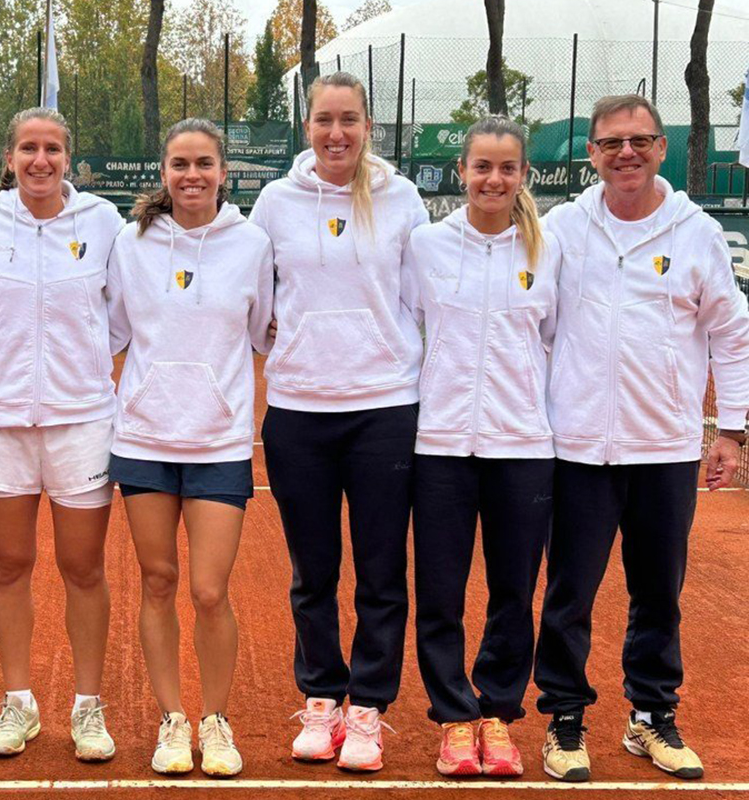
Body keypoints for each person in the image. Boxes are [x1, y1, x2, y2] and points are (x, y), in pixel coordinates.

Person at [533, 94, 749, 783]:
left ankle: (651, 714)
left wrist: (732, 431)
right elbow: (530, 320)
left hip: (665, 448)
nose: (625, 152)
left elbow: (731, 333)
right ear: (591, 154)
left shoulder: (697, 233)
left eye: (639, 140)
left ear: (660, 148)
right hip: (577, 448)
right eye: (611, 143)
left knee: (659, 592)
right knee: (570, 593)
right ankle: (565, 717)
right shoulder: (562, 228)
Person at [248, 72, 428, 771]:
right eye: (324, 120)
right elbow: (255, 295)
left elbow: (421, 297)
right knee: (313, 571)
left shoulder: (401, 198)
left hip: (384, 408)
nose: (336, 133)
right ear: (308, 127)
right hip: (299, 411)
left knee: (382, 570)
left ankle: (368, 708)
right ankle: (321, 697)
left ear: (367, 127)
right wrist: (284, 342)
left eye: (349, 119)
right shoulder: (276, 202)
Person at [0, 108, 125, 762]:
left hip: (82, 423)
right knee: (8, 565)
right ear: (10, 157)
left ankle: (87, 706)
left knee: (84, 567)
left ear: (68, 159)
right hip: (0, 422)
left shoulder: (103, 222)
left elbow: (121, 311)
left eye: (52, 148)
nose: (40, 160)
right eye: (28, 148)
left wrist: (85, 362)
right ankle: (18, 702)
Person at [106, 118, 273, 777]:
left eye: (204, 163)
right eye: (180, 163)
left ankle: (216, 720)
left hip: (219, 441)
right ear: (164, 172)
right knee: (157, 580)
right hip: (144, 437)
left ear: (224, 173)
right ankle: (173, 719)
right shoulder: (131, 242)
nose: (192, 174)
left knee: (208, 590)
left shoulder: (252, 243)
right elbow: (115, 330)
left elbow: (260, 332)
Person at [405, 116, 560, 778]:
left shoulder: (548, 251)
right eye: (482, 166)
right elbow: (408, 323)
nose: (494, 179)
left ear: (523, 175)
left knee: (512, 591)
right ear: (462, 171)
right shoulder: (427, 246)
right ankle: (454, 719)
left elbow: (554, 339)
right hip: (441, 444)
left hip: (523, 445)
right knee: (439, 591)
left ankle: (497, 713)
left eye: (507, 168)